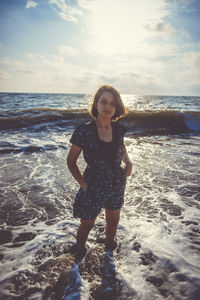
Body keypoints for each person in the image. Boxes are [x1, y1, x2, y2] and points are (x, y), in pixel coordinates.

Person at [67, 85, 132, 256]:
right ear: (96, 104)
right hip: (93, 184)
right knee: (87, 222)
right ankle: (79, 250)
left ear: (116, 107)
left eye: (112, 103)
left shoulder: (118, 129)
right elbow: (71, 161)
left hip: (116, 182)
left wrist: (128, 162)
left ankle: (109, 247)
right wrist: (83, 183)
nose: (108, 106)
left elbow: (121, 147)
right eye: (104, 102)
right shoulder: (84, 130)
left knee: (113, 220)